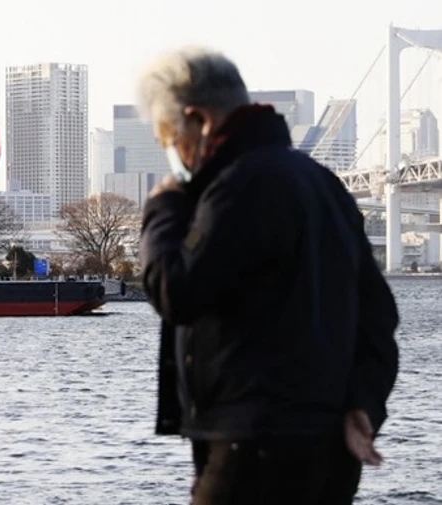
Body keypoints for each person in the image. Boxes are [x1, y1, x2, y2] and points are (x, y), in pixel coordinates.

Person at [136, 46, 400, 505]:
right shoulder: (322, 183)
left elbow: (176, 289)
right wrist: (364, 405)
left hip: (254, 445)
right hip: (329, 450)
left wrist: (163, 207)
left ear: (198, 120)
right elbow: (378, 316)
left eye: (167, 136)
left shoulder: (238, 187)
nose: (171, 154)